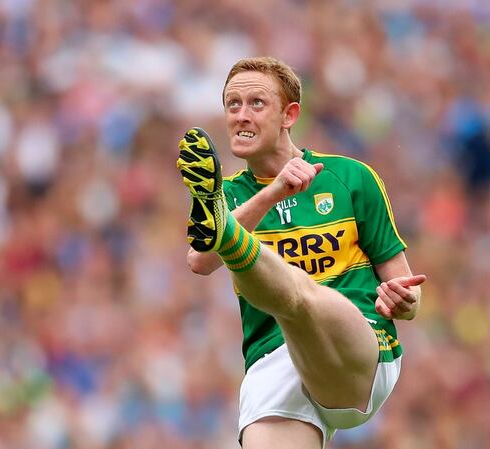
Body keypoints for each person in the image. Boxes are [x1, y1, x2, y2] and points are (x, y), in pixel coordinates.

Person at [176, 56, 426, 449]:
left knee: (300, 297)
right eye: (232, 105)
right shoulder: (228, 193)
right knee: (289, 298)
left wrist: (405, 300)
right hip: (274, 363)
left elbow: (408, 296)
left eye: (256, 103)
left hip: (359, 346)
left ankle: (229, 236)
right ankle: (228, 235)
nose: (241, 115)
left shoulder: (350, 177)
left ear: (289, 115)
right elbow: (199, 260)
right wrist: (274, 192)